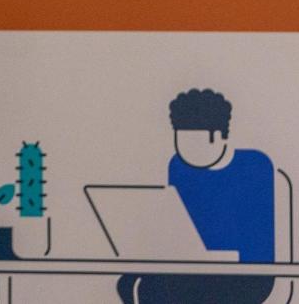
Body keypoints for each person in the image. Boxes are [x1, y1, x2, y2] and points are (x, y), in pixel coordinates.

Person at [116, 88, 275, 304]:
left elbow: (257, 244)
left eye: (193, 142)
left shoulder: (254, 166)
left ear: (218, 136)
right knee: (128, 283)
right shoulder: (179, 165)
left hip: (244, 274)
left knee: (153, 291)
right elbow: (178, 228)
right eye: (180, 142)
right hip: (190, 265)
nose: (185, 152)